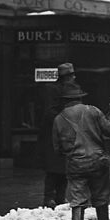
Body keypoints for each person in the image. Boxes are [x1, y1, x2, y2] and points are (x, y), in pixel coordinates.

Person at [53, 80, 110, 220]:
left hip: (76, 165)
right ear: (80, 97)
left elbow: (57, 149)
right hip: (98, 162)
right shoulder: (93, 110)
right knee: (101, 198)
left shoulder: (58, 119)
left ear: (64, 100)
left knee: (77, 202)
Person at [38, 62, 75, 208]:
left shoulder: (68, 90)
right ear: (66, 77)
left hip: (64, 133)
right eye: (71, 76)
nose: (73, 78)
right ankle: (49, 197)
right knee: (53, 168)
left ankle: (60, 195)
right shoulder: (52, 91)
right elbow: (49, 113)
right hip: (52, 134)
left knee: (64, 167)